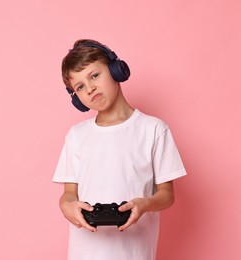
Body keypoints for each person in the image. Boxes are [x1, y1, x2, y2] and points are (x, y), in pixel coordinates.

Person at [53, 39, 187, 260]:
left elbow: (167, 195)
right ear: (77, 98)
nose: (90, 88)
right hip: (85, 252)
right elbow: (68, 194)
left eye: (94, 76)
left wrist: (145, 204)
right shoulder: (76, 136)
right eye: (80, 87)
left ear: (116, 70)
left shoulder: (153, 129)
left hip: (134, 253)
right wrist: (68, 208)